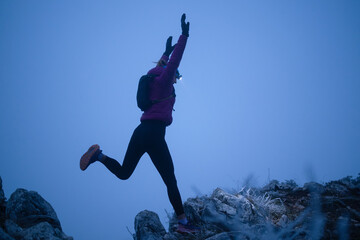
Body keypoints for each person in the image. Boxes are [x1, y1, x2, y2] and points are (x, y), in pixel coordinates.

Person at [80, 14, 200, 234]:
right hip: (154, 135)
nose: (176, 79)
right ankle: (183, 224)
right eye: (176, 76)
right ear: (170, 74)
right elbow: (173, 64)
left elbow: (164, 64)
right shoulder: (164, 82)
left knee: (125, 173)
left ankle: (98, 155)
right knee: (170, 179)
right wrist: (184, 36)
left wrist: (165, 52)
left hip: (140, 132)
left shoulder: (151, 78)